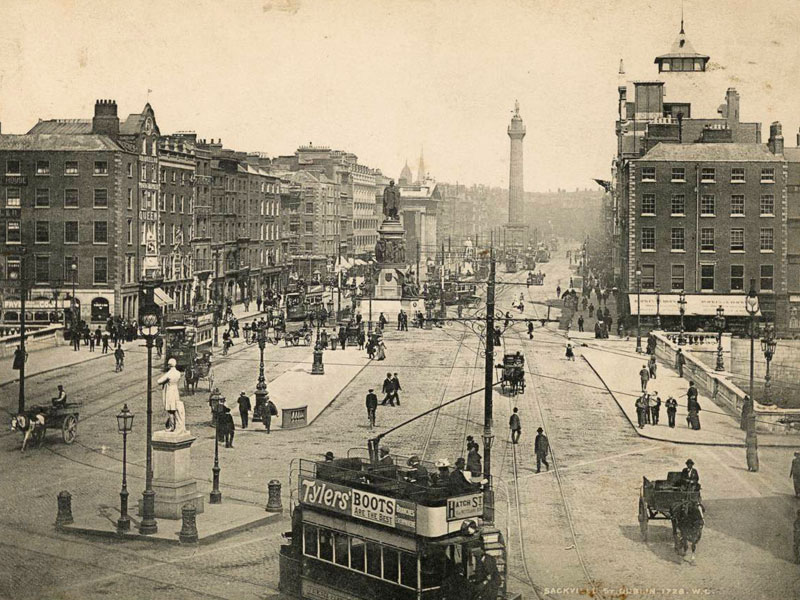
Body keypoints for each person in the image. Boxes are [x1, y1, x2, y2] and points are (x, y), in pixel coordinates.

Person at [158, 358, 185, 433]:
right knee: (175, 408)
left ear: (169, 365)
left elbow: (159, 381)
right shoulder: (178, 373)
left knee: (170, 409)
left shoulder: (169, 373)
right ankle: (176, 425)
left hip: (169, 391)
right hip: (175, 391)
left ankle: (172, 426)